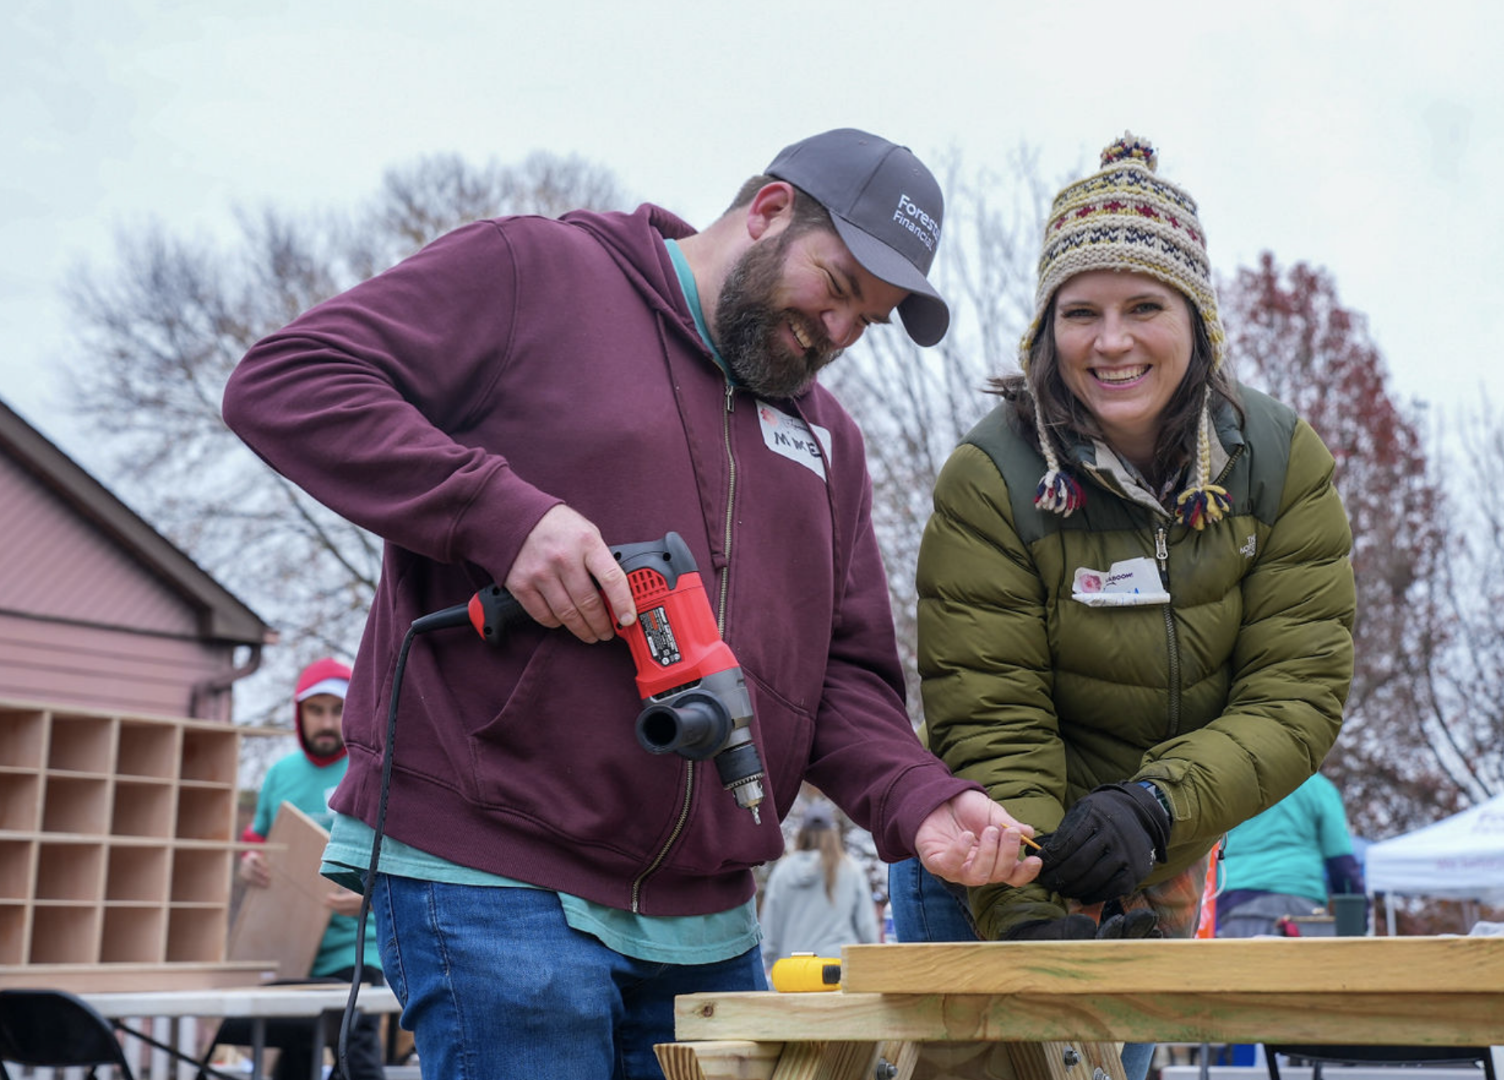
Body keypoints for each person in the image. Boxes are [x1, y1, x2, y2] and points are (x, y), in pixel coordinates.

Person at [221, 128, 1041, 1080]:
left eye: (873, 319)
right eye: (841, 288)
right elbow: (286, 380)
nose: (842, 334)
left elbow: (843, 683)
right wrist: (500, 516)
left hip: (707, 919)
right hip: (492, 874)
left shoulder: (831, 446)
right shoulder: (540, 272)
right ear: (770, 211)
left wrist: (921, 800)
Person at [891, 133, 1356, 1080]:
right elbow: (988, 705)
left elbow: (1295, 696)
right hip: (994, 852)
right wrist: (1030, 917)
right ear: (1044, 330)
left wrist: (1153, 807)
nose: (1110, 341)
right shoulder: (993, 475)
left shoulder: (1279, 462)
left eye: (1144, 305)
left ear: (1197, 318)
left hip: (1160, 845)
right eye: (1080, 312)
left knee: (1113, 1068)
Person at [236, 657, 386, 1080]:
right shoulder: (279, 774)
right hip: (291, 949)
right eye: (315, 710)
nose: (326, 721)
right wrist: (248, 868)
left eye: (337, 710)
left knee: (354, 1056)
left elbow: (398, 856)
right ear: (299, 713)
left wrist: (368, 899)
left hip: (356, 949)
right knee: (292, 1061)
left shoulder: (371, 771)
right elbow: (255, 846)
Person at [1213, 771, 1363, 938]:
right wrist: (1359, 916)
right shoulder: (1318, 787)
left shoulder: (1231, 786)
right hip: (1302, 904)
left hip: (1239, 906)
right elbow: (1341, 862)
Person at [759, 802, 880, 973]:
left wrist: (771, 965)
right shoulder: (850, 870)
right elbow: (867, 927)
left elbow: (770, 926)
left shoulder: (783, 871)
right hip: (838, 969)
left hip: (793, 970)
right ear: (833, 833)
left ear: (802, 833)